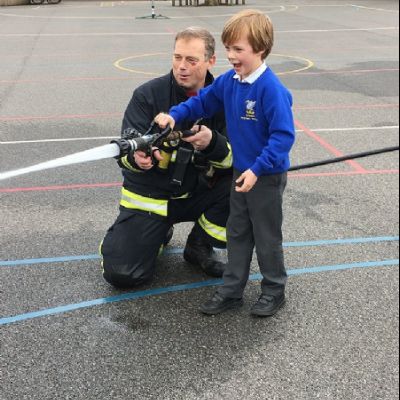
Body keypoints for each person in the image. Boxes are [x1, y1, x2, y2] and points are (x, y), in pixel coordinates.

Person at [155, 10, 295, 317]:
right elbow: (202, 101)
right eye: (228, 48)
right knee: (237, 233)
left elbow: (283, 137)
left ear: (260, 49)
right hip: (240, 174)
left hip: (265, 176)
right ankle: (232, 291)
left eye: (238, 49)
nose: (231, 55)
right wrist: (174, 115)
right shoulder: (231, 82)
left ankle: (274, 290)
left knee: (266, 236)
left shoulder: (271, 90)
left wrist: (257, 170)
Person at [101, 27, 233, 288]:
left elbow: (236, 159)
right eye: (177, 57)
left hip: (200, 192)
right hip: (152, 199)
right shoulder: (147, 96)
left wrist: (213, 144)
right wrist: (137, 158)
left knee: (250, 183)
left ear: (211, 61)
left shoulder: (227, 100)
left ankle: (199, 245)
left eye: (191, 60)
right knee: (123, 275)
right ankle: (155, 232)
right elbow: (126, 152)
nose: (181, 67)